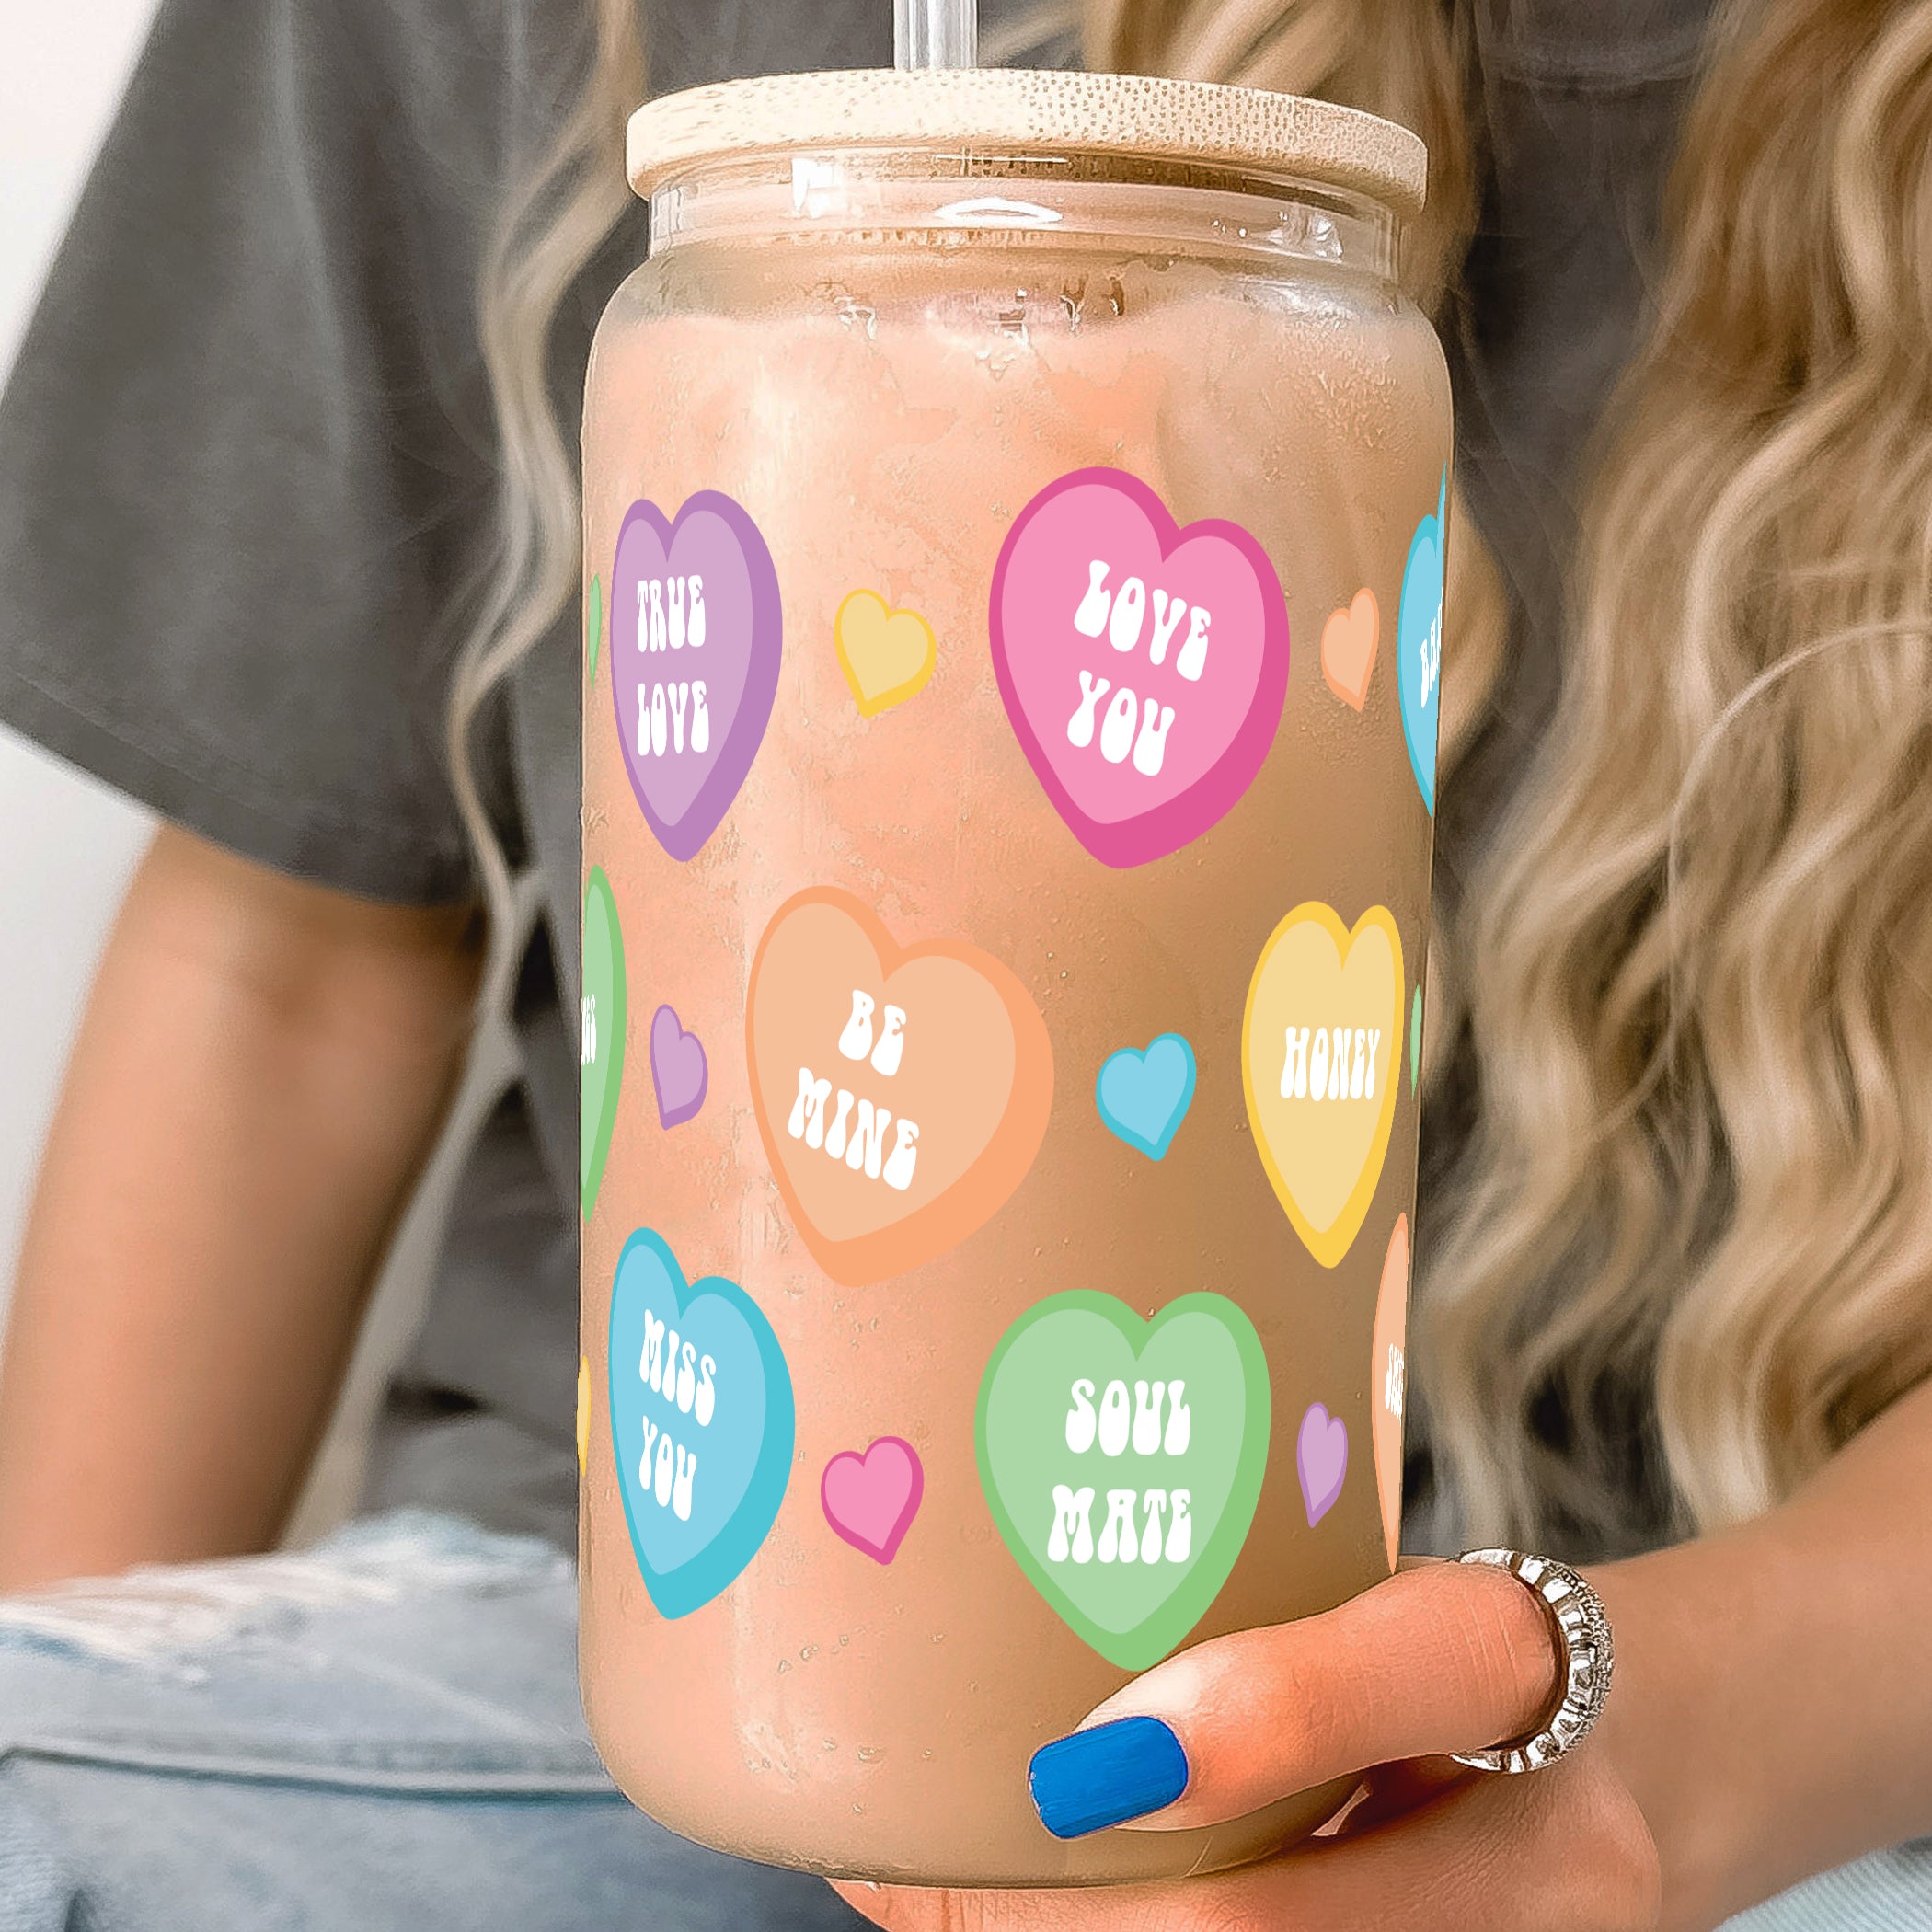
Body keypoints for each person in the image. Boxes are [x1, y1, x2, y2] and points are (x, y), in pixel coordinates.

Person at [0, 0, 1926, 1925]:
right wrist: (83, 1761)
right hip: (632, 1647)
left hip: (1769, 1736)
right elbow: (286, 978)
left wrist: (1653, 1765)